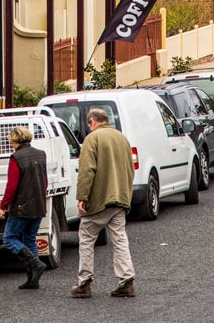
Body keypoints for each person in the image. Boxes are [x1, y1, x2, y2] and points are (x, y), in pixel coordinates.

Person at [71, 107, 136, 299]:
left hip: (100, 199)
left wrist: (82, 197)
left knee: (86, 237)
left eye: (89, 124)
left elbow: (87, 170)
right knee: (120, 239)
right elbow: (130, 168)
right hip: (120, 198)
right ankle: (126, 280)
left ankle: (85, 282)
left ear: (92, 121)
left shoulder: (92, 139)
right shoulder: (121, 138)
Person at [0, 126, 47, 289]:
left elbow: (12, 186)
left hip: (21, 206)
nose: (10, 142)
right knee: (30, 239)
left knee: (9, 238)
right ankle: (32, 280)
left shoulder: (16, 158)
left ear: (14, 140)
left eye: (10, 139)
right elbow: (44, 181)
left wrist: (3, 206)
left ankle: (36, 263)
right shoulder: (41, 154)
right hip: (39, 205)